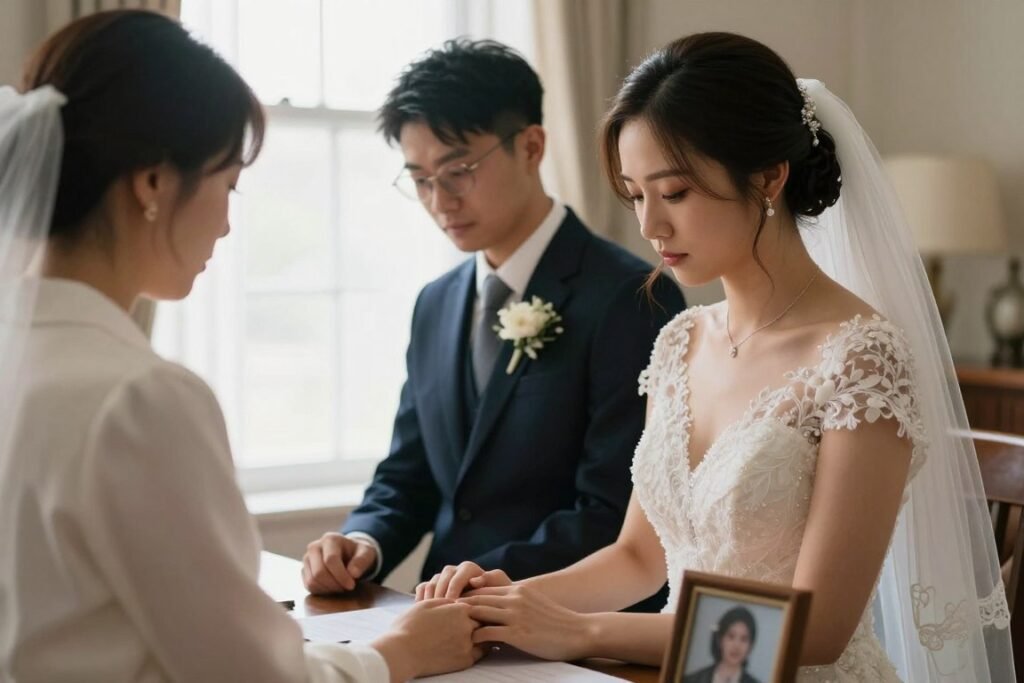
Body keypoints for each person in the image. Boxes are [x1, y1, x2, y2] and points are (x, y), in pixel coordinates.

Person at [416, 32, 1015, 682]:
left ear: (768, 177)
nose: (650, 226)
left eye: (674, 193)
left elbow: (818, 628)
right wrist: (509, 600)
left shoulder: (861, 358)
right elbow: (639, 557)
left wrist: (581, 631)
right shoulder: (681, 341)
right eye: (636, 194)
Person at [0, 11, 480, 682]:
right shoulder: (139, 398)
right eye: (227, 183)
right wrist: (400, 653)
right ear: (153, 182)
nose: (227, 224)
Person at [301, 39, 684, 613]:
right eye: (420, 179)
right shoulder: (435, 303)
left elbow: (614, 511)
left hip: (568, 623)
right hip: (439, 619)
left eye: (457, 171)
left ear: (531, 147)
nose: (440, 201)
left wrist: (481, 582)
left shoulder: (631, 298)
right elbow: (409, 474)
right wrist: (362, 542)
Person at [683, 607, 761, 683]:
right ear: (720, 639)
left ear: (750, 646)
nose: (736, 646)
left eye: (744, 639)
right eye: (731, 636)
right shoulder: (691, 680)